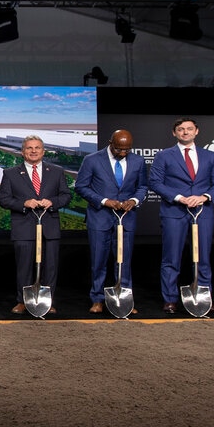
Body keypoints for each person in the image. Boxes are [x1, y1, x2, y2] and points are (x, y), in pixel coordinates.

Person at [149, 118, 214, 315]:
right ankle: (170, 300)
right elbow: (155, 182)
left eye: (189, 129)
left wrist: (204, 197)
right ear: (174, 133)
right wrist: (180, 198)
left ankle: (204, 298)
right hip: (174, 212)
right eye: (181, 130)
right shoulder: (163, 156)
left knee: (203, 258)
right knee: (171, 257)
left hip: (203, 212)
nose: (185, 132)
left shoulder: (210, 156)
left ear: (196, 131)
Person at [73, 129, 148, 314]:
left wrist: (134, 201)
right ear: (110, 143)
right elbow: (81, 186)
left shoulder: (138, 161)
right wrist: (105, 201)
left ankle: (124, 299)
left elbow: (143, 186)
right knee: (98, 260)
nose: (123, 153)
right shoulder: (92, 160)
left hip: (126, 219)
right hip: (100, 218)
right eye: (119, 149)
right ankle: (97, 299)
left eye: (127, 150)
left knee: (124, 261)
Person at [0, 135, 72, 316]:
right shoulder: (10, 173)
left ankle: (47, 301)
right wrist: (24, 203)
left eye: (37, 148)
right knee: (24, 267)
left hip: (50, 227)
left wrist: (52, 202)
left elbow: (66, 196)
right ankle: (22, 301)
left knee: (50, 267)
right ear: (23, 152)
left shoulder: (56, 171)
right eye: (29, 148)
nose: (33, 151)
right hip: (23, 227)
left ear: (43, 151)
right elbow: (4, 199)